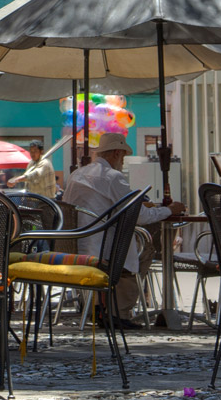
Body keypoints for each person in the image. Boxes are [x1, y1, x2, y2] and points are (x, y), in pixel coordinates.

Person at [63, 132, 184, 326]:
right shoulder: (112, 177)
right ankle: (119, 312)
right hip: (101, 248)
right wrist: (168, 210)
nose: (123, 161)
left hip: (74, 245)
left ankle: (99, 306)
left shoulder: (76, 174)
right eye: (124, 157)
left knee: (129, 245)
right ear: (117, 153)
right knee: (145, 249)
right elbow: (140, 217)